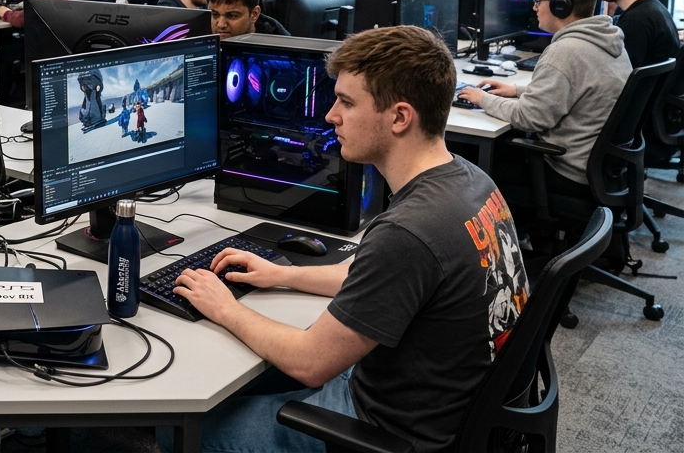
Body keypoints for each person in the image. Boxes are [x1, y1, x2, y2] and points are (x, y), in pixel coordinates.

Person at [159, 25, 528, 453]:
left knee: (181, 432)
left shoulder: (409, 231)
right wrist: (282, 274)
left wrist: (224, 308)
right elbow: (374, 276)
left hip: (389, 431)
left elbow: (310, 363)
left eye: (347, 103)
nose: (331, 115)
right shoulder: (469, 180)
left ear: (400, 117)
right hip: (449, 403)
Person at [457, 0, 630, 202]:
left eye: (539, 0)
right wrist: (517, 90)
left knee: (471, 165)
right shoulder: (609, 40)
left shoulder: (565, 52)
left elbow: (529, 118)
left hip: (566, 172)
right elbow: (580, 87)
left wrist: (483, 98)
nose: (535, 7)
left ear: (561, 5)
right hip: (601, 170)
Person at [595, 0, 681, 163]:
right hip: (659, 120)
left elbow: (617, 86)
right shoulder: (655, 10)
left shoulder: (636, 22)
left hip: (638, 129)